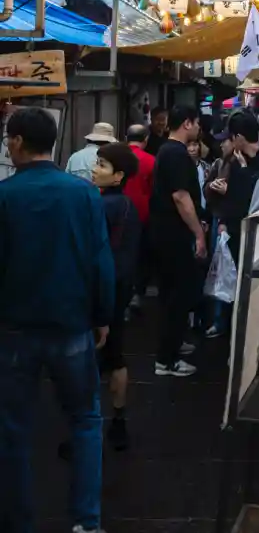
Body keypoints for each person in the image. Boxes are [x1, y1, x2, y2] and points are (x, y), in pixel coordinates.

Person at [0, 107, 114, 533]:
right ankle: (86, 521)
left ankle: (18, 522)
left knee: (13, 428)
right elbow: (100, 260)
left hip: (14, 329)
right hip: (73, 326)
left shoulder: (5, 196)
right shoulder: (83, 194)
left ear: (15, 142)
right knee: (85, 420)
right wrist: (102, 316)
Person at [150, 106, 208, 376]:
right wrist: (198, 233)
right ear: (187, 123)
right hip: (173, 233)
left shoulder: (166, 150)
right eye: (196, 123)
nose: (198, 128)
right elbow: (180, 197)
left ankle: (171, 343)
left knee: (171, 292)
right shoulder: (176, 153)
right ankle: (167, 359)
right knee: (178, 293)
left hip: (165, 232)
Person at [92, 142, 141, 451]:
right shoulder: (126, 205)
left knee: (93, 361)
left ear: (118, 175)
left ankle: (88, 430)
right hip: (121, 288)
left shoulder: (103, 206)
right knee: (116, 357)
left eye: (102, 165)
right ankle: (118, 423)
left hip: (103, 291)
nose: (95, 169)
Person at [208, 111, 259, 268]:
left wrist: (242, 172)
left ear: (238, 137)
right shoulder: (234, 159)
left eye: (230, 137)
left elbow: (254, 196)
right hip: (235, 233)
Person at [203, 131, 235, 338]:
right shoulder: (218, 164)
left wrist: (228, 192)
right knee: (220, 270)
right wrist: (211, 187)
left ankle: (228, 321)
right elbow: (206, 191)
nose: (221, 145)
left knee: (230, 270)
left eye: (224, 141)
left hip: (229, 222)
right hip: (218, 219)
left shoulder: (240, 165)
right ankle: (219, 320)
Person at [125, 125, 156, 307]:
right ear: (146, 139)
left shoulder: (117, 157)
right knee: (141, 256)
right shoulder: (151, 160)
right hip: (143, 214)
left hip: (117, 213)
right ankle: (137, 292)